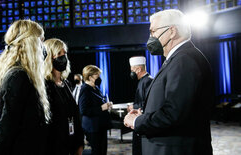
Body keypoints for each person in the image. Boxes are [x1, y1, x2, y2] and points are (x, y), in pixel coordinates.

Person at [123, 9, 214, 155]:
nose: (151, 37)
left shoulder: (184, 60)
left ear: (172, 31)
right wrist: (144, 114)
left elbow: (174, 113)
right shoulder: (177, 59)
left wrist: (136, 121)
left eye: (153, 32)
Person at [0, 19, 51, 155]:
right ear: (29, 42)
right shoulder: (19, 76)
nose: (43, 46)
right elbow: (6, 127)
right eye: (40, 40)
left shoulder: (19, 74)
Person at [44, 38, 84, 155]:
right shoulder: (45, 86)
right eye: (59, 54)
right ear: (49, 58)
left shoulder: (65, 83)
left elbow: (74, 114)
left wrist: (79, 143)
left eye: (64, 53)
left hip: (71, 143)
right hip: (55, 146)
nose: (63, 57)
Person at [79, 65, 112, 155]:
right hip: (92, 128)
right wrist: (101, 108)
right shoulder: (85, 89)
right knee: (97, 152)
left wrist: (106, 104)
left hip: (100, 126)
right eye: (97, 76)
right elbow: (83, 110)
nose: (99, 78)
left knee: (102, 151)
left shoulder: (95, 87)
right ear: (90, 77)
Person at [127, 56, 153, 155]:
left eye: (132, 69)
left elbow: (147, 103)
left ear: (138, 69)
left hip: (143, 120)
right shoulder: (143, 81)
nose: (131, 72)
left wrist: (133, 107)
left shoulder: (147, 81)